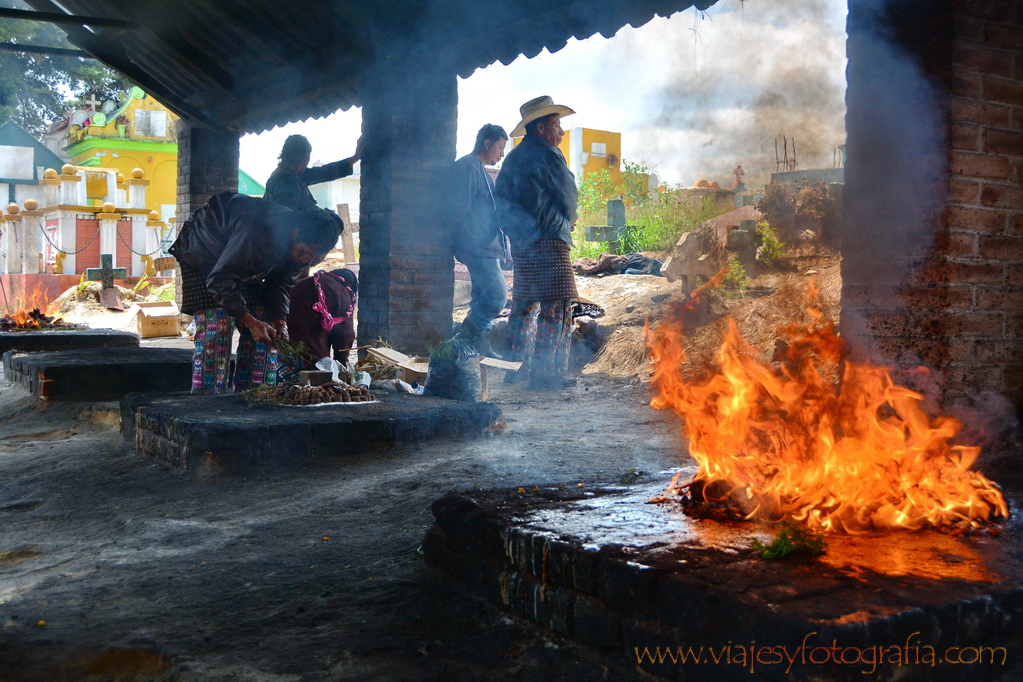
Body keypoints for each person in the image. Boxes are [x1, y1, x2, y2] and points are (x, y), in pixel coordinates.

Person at [169, 193, 342, 394]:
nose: (305, 260)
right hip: (204, 255)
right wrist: (248, 320)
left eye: (312, 258)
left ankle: (253, 393)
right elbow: (219, 279)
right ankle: (209, 399)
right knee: (219, 323)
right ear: (295, 234)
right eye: (304, 252)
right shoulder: (258, 231)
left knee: (266, 326)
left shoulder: (303, 253)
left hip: (240, 264)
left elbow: (281, 285)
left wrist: (280, 322)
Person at [495, 96, 579, 390]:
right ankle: (546, 376)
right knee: (557, 309)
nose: (561, 132)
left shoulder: (513, 158)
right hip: (550, 241)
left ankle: (513, 369)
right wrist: (569, 220)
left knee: (523, 306)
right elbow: (568, 196)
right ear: (541, 128)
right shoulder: (549, 154)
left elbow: (500, 203)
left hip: (524, 243)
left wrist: (518, 234)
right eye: (557, 126)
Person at [450, 124, 509, 358]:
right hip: (477, 246)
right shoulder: (469, 167)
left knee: (482, 296)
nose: (502, 154)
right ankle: (462, 340)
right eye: (500, 147)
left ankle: (478, 347)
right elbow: (457, 209)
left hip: (485, 246)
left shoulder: (479, 169)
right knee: (497, 295)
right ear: (487, 143)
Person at [264, 134, 363, 212]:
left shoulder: (292, 175)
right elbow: (289, 219)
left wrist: (354, 158)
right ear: (305, 157)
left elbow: (323, 172)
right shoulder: (287, 181)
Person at [285, 268, 358, 370]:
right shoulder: (344, 291)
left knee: (294, 360)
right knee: (317, 363)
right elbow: (345, 334)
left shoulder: (310, 281)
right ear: (350, 285)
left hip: (286, 322)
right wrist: (342, 362)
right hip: (308, 325)